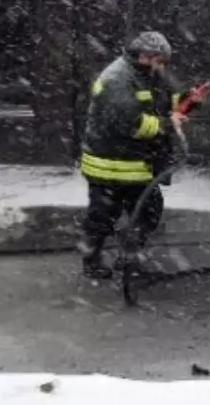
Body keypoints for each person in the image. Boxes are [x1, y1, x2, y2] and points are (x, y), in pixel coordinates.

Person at [76, 31, 187, 279]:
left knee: (149, 210)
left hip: (136, 163)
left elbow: (165, 99)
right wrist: (168, 124)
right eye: (160, 61)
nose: (163, 67)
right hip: (109, 164)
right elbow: (131, 124)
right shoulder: (117, 79)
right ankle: (92, 260)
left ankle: (129, 257)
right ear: (147, 57)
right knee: (103, 215)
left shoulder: (146, 74)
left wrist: (189, 102)